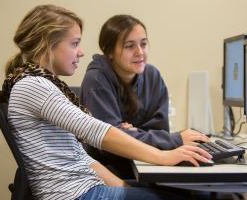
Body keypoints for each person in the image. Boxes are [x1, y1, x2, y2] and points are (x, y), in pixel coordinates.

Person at [2, 4, 212, 200]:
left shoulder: (41, 84)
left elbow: (81, 157)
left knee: (185, 193)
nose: (81, 51)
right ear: (47, 45)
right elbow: (98, 132)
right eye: (75, 43)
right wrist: (163, 156)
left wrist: (123, 187)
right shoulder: (35, 86)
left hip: (85, 186)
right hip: (72, 194)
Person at [79, 14, 209, 178]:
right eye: (129, 46)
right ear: (110, 52)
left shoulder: (152, 75)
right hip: (109, 172)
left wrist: (131, 133)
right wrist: (174, 140)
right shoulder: (96, 81)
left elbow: (160, 130)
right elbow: (109, 142)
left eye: (144, 44)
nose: (140, 52)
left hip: (147, 163)